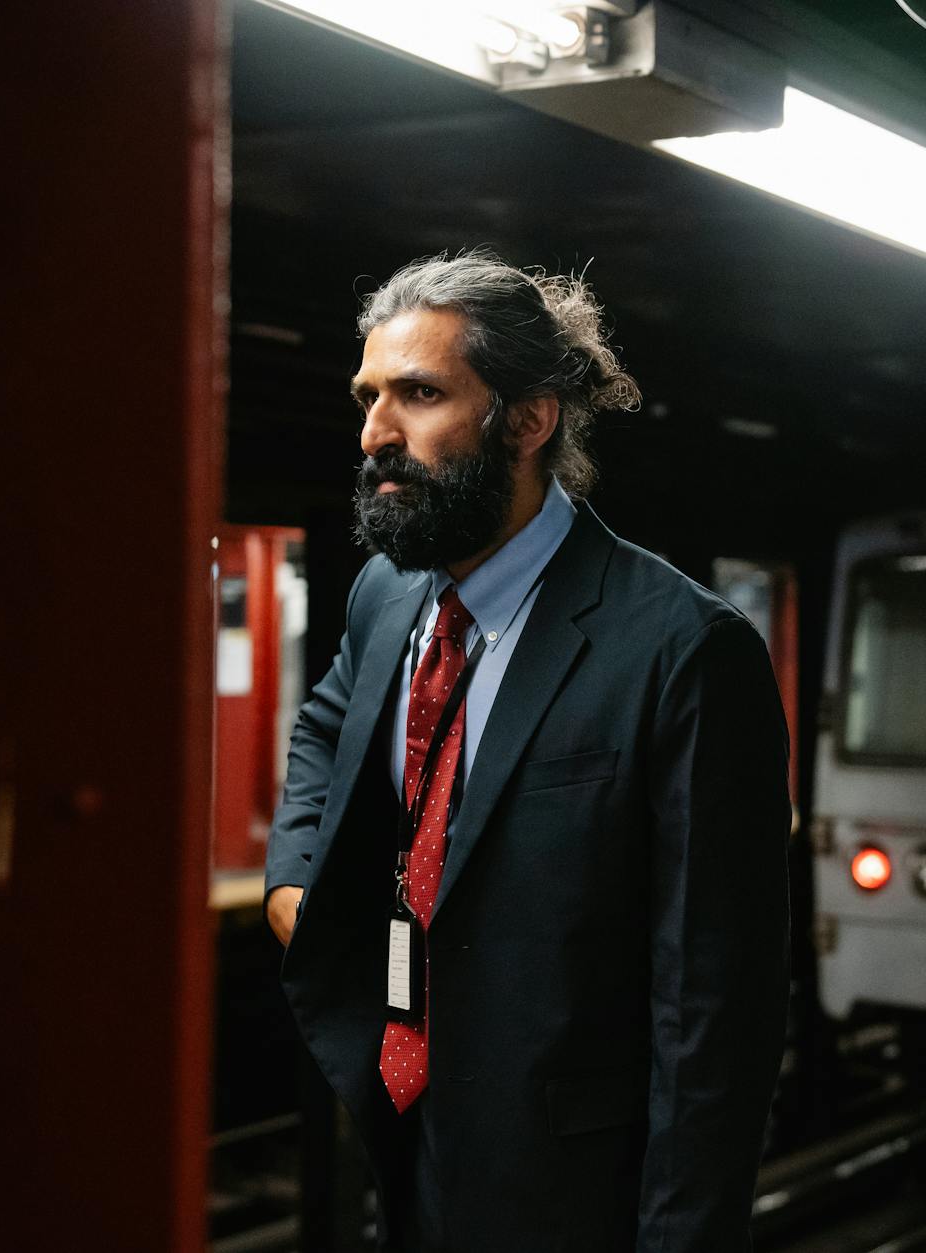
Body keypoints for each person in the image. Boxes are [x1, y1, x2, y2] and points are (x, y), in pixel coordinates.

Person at [263, 249, 792, 1252]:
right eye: (368, 395)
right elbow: (327, 724)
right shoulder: (387, 592)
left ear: (529, 417)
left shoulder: (681, 649)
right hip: (401, 1125)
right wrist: (296, 873)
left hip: (569, 1184)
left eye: (419, 394)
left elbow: (712, 1011)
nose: (377, 434)